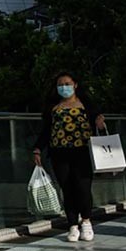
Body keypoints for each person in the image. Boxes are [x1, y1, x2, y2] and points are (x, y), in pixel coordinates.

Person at [33, 71, 105, 242]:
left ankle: (86, 221)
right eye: (60, 84)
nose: (63, 87)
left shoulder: (86, 105)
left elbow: (99, 124)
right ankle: (72, 224)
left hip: (83, 152)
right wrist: (37, 149)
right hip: (59, 153)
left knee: (83, 187)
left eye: (67, 84)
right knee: (67, 188)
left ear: (75, 85)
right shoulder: (53, 107)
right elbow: (46, 131)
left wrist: (99, 123)